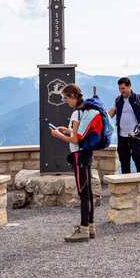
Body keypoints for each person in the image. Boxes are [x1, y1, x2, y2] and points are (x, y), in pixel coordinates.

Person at [50, 84, 96, 242]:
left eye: (65, 97)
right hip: (86, 155)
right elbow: (78, 134)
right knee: (88, 192)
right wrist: (68, 130)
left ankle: (83, 229)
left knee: (83, 193)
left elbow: (75, 140)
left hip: (79, 157)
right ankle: (90, 226)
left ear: (73, 96)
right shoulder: (84, 110)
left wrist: (58, 135)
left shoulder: (77, 113)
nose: (65, 101)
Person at [108, 77, 140, 173]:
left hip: (136, 135)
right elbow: (110, 114)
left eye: (123, 88)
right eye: (120, 89)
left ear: (129, 86)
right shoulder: (118, 100)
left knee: (138, 158)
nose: (121, 91)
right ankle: (126, 184)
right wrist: (100, 116)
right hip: (122, 136)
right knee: (124, 160)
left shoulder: (139, 99)